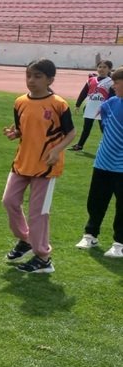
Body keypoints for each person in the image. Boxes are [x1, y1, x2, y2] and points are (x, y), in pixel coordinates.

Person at [2, 59, 76, 273]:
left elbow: (71, 132)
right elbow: (22, 129)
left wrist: (57, 150)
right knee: (9, 201)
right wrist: (15, 133)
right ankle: (26, 240)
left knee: (38, 213)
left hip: (46, 167)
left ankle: (43, 258)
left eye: (37, 76)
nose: (31, 80)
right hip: (22, 162)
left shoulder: (58, 104)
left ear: (50, 80)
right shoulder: (20, 102)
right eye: (28, 75)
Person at [75, 67, 123, 258]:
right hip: (103, 161)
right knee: (96, 200)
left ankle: (119, 243)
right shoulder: (109, 104)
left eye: (117, 82)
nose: (113, 86)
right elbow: (104, 126)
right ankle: (90, 234)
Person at [70, 60, 115, 152]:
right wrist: (78, 104)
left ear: (109, 69)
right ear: (97, 68)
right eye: (100, 67)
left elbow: (112, 96)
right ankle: (79, 145)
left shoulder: (111, 82)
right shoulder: (91, 80)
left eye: (105, 67)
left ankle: (111, 147)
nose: (101, 69)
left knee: (104, 129)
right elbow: (83, 93)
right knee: (86, 128)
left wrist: (110, 108)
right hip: (90, 107)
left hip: (103, 109)